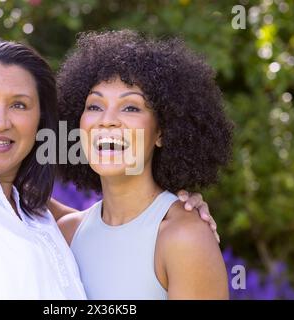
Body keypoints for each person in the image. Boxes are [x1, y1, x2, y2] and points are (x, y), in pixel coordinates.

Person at [0, 0, 217, 299]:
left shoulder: (41, 217)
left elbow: (121, 227)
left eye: (19, 105)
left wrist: (180, 214)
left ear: (39, 124)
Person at [57, 30, 233, 299]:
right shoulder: (66, 234)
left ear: (162, 132)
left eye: (131, 108)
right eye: (94, 106)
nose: (107, 120)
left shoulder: (184, 237)